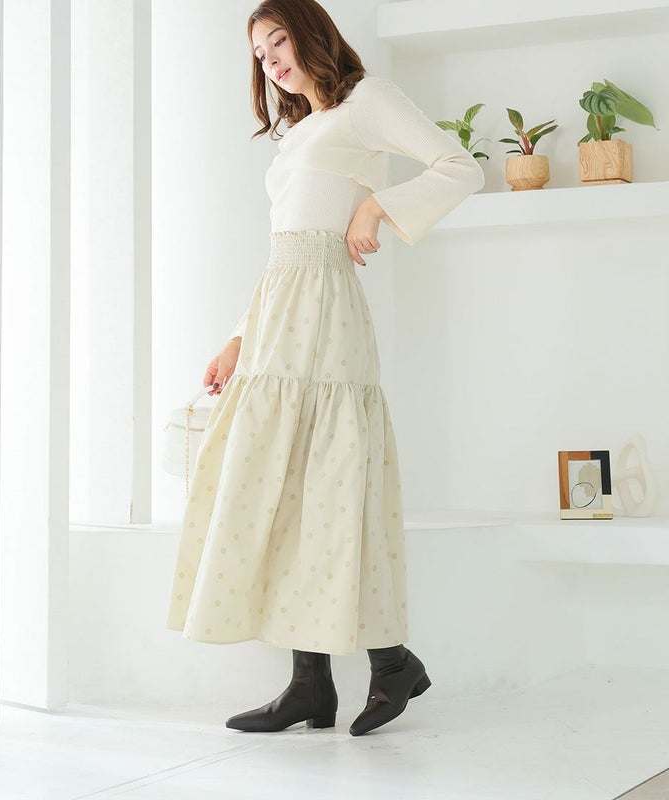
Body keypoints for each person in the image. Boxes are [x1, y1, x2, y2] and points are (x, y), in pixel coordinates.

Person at [165, 0, 484, 736]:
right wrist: (238, 338)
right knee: (287, 490)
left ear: (311, 32)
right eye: (259, 52)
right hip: (279, 316)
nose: (271, 60)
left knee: (330, 485)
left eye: (278, 40)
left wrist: (377, 207)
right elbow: (287, 248)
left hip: (326, 318)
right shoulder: (300, 132)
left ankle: (385, 662)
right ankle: (315, 682)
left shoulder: (367, 100)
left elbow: (459, 166)